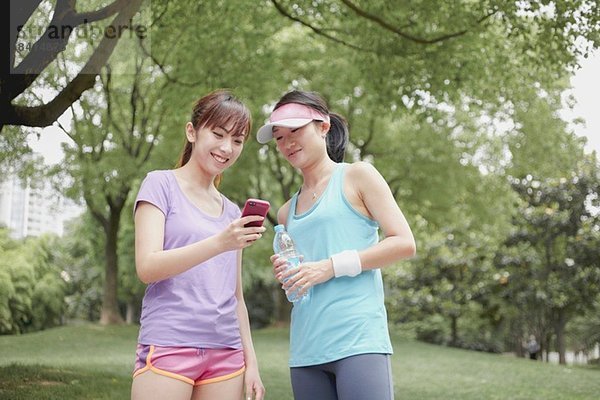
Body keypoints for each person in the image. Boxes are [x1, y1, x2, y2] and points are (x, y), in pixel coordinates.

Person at [258, 90, 416, 400]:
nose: (287, 143)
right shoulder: (285, 212)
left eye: (295, 131)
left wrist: (329, 267)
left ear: (323, 126)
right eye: (279, 137)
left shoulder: (358, 176)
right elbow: (303, 276)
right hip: (306, 350)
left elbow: (404, 243)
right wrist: (290, 273)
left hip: (358, 341)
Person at [131, 90, 266, 400]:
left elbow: (236, 297)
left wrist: (252, 362)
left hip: (227, 354)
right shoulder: (160, 184)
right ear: (192, 132)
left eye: (237, 139)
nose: (226, 147)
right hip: (168, 343)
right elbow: (147, 267)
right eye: (218, 134)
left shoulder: (233, 212)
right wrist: (220, 242)